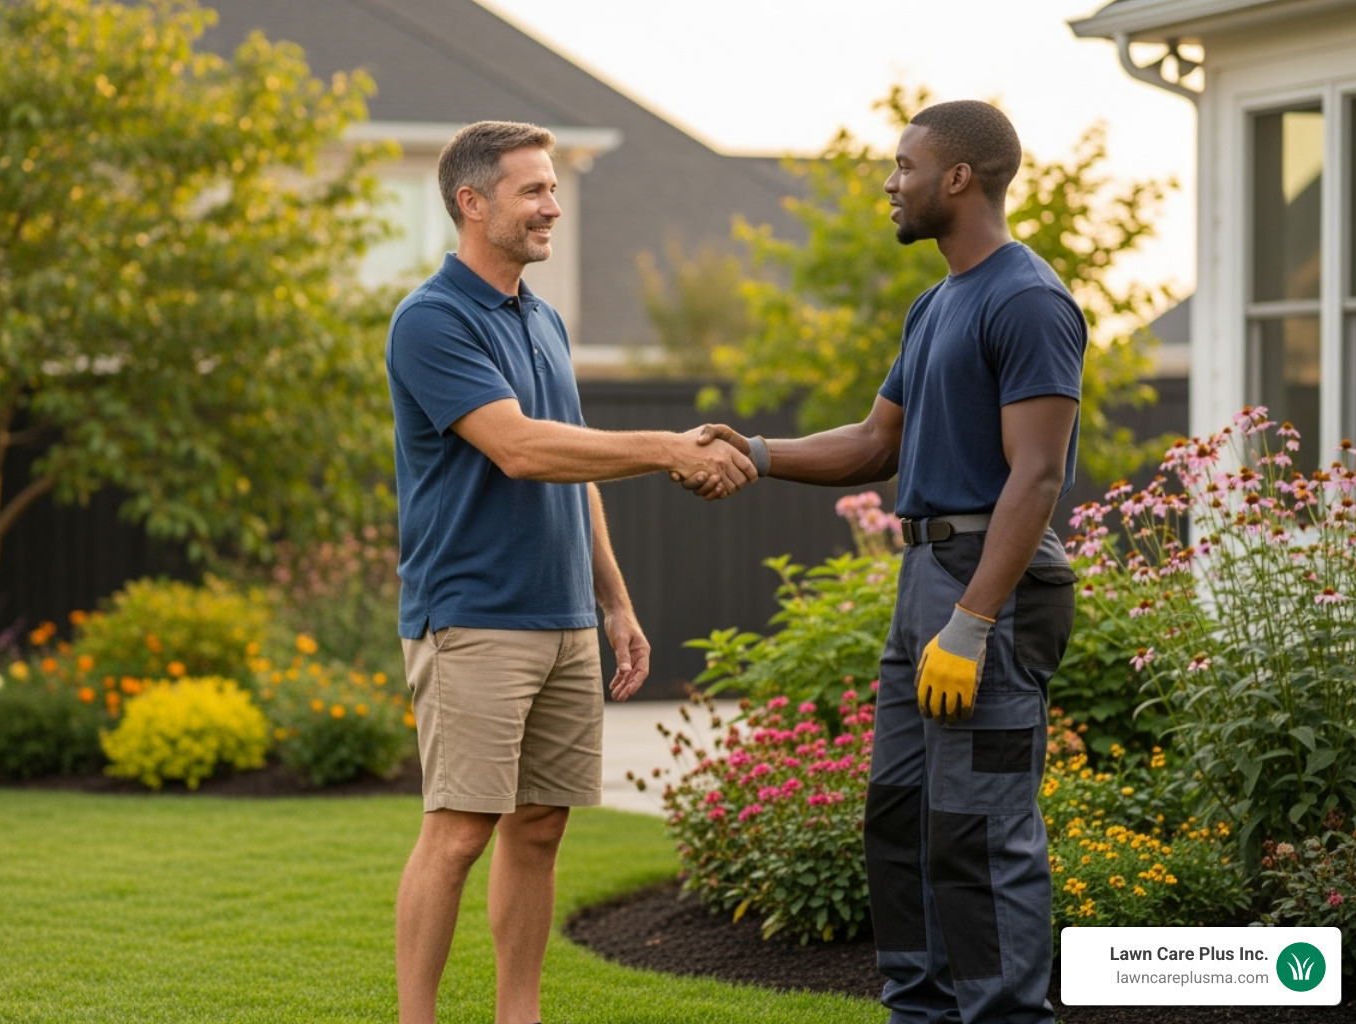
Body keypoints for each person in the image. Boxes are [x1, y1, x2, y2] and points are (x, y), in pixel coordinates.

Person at [688, 101, 1087, 1024]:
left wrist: (975, 621)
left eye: (904, 166)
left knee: (980, 831)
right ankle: (920, 1007)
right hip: (925, 583)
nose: (888, 183)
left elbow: (1035, 478)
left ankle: (1005, 1015)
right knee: (904, 821)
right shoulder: (937, 302)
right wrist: (755, 450)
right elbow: (877, 443)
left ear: (958, 178)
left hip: (991, 587)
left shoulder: (1027, 300)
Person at [385, 120, 756, 1024]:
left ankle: (522, 1016)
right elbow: (518, 448)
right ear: (473, 203)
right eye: (534, 190)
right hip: (473, 613)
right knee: (461, 829)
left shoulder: (544, 320)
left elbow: (577, 467)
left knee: (541, 827)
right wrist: (671, 447)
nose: (554, 205)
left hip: (562, 615)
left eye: (554, 187)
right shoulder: (431, 321)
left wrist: (615, 603)